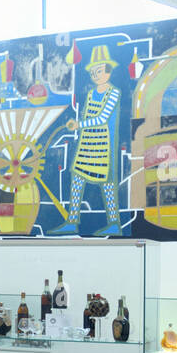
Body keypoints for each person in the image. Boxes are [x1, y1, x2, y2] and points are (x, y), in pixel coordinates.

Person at [49, 43, 123, 236]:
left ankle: (114, 223)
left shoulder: (113, 93)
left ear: (108, 72)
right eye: (93, 72)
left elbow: (102, 119)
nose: (96, 75)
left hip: (104, 147)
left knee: (106, 183)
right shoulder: (91, 94)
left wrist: (79, 125)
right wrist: (77, 126)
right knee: (77, 178)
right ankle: (72, 221)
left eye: (99, 71)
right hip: (87, 145)